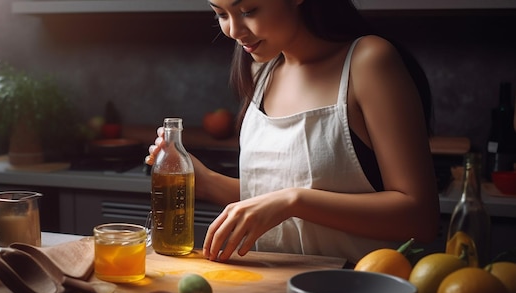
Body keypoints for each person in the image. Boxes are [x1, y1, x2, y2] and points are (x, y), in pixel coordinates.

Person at [146, 0, 439, 264]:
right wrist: (204, 181)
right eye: (221, 14)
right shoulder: (261, 71)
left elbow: (419, 218)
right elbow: (269, 195)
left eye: (248, 11)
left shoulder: (369, 61)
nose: (234, 30)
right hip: (272, 290)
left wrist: (293, 202)